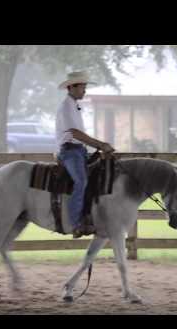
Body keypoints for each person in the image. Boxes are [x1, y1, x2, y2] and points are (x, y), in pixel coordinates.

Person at [56, 70, 115, 237]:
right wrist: (100, 145)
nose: (85, 90)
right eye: (83, 87)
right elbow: (75, 133)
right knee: (81, 181)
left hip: (78, 151)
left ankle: (90, 216)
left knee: (98, 176)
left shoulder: (73, 106)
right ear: (72, 87)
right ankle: (75, 224)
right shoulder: (67, 107)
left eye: (85, 87)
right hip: (70, 151)